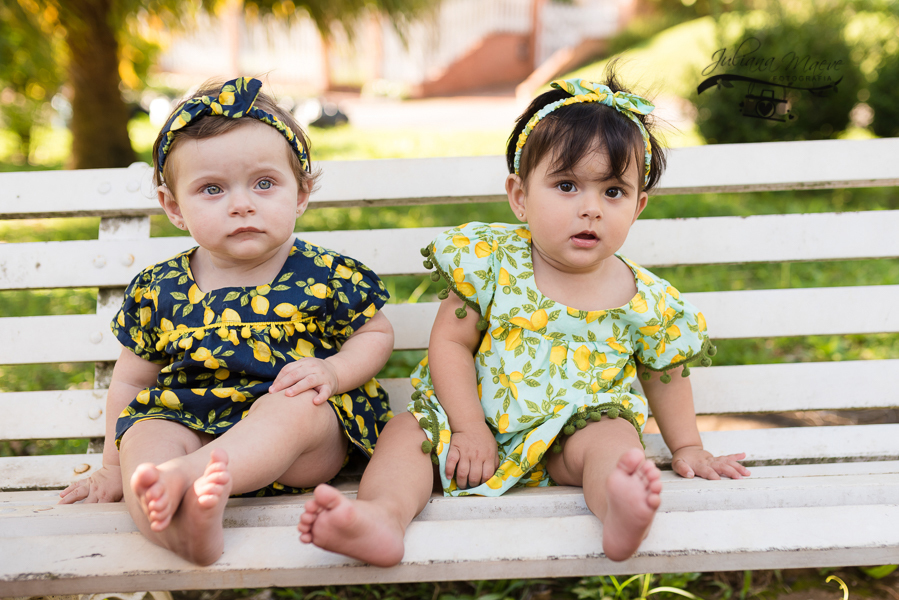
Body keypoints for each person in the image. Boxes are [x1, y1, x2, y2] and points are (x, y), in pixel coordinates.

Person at [298, 70, 751, 565]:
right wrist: (469, 427)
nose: (590, 209)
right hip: (468, 424)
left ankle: (619, 510)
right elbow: (450, 344)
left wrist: (687, 446)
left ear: (639, 206)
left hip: (571, 431)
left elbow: (664, 375)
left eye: (613, 192)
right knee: (406, 434)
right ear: (519, 196)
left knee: (615, 442)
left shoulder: (649, 300)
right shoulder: (493, 263)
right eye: (566, 185)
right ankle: (381, 518)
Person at [58, 77, 395, 566]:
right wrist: (114, 463)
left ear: (300, 193)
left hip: (297, 440)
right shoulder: (159, 288)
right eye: (212, 189)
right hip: (190, 420)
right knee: (146, 439)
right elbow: (132, 381)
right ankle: (186, 529)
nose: (242, 203)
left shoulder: (325, 274)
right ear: (174, 207)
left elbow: (375, 333)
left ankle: (187, 477)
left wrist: (333, 372)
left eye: (264, 183)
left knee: (292, 407)